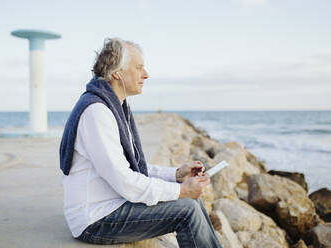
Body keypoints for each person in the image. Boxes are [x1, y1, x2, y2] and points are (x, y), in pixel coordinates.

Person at [59, 38, 222, 248]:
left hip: (112, 204)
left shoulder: (114, 106)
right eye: (138, 68)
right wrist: (181, 191)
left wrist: (176, 175)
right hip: (95, 219)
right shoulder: (97, 112)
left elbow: (131, 167)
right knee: (187, 209)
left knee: (191, 199)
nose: (146, 74)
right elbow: (126, 181)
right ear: (117, 73)